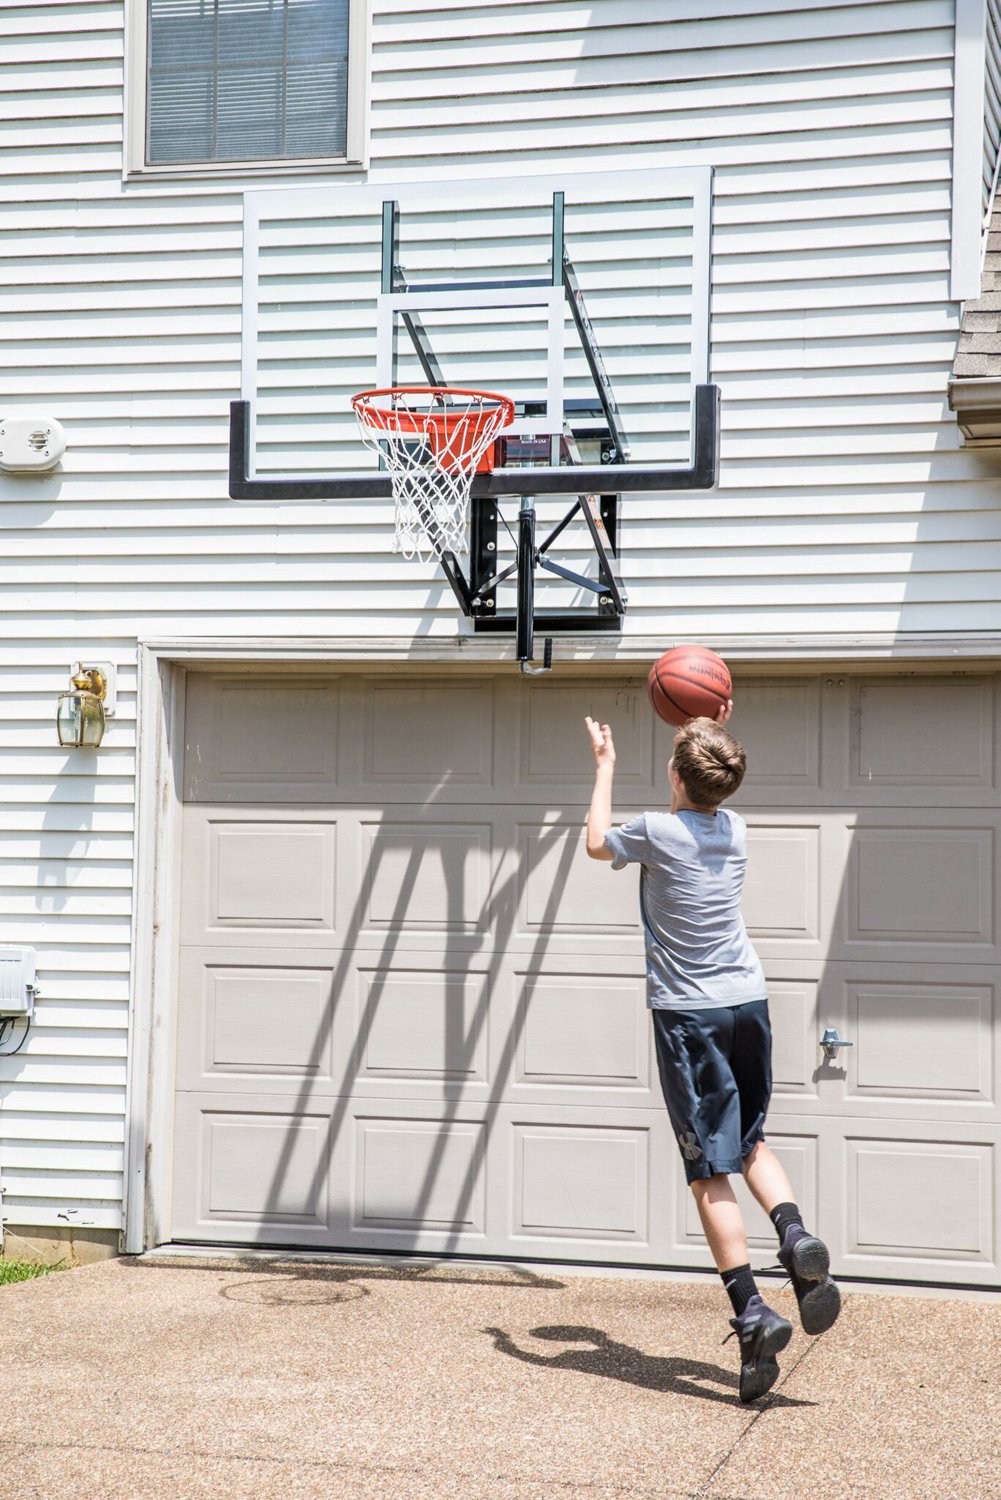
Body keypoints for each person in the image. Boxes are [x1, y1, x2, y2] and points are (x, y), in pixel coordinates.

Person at [583, 708, 840, 1403]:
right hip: (746, 1002)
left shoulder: (658, 831)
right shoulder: (735, 828)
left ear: (673, 775)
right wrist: (703, 723)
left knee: (708, 1173)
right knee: (751, 1138)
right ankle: (793, 1236)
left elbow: (595, 843)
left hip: (689, 1015)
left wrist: (604, 764)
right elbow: (704, 775)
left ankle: (751, 1309)